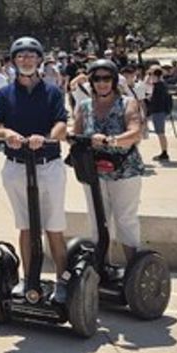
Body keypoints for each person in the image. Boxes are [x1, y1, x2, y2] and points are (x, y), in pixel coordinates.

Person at [0, 37, 71, 302]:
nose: (26, 60)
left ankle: (62, 282)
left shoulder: (52, 91)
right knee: (25, 226)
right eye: (21, 56)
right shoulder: (4, 94)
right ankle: (28, 280)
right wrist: (6, 133)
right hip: (16, 166)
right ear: (14, 61)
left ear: (39, 60)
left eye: (31, 56)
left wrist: (44, 137)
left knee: (53, 227)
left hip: (48, 166)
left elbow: (61, 125)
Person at [69, 59, 146, 264]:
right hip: (93, 172)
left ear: (114, 80)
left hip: (124, 171)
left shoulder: (127, 103)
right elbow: (75, 134)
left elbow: (135, 132)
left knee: (125, 219)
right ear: (91, 82)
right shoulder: (84, 107)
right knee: (97, 221)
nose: (102, 83)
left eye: (106, 78)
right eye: (96, 79)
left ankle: (134, 269)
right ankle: (101, 267)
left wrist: (111, 140)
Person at [146, 65, 173, 162]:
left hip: (158, 111)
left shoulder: (159, 86)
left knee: (160, 133)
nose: (150, 76)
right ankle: (164, 151)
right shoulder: (162, 85)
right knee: (160, 133)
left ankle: (164, 152)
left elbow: (155, 100)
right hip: (160, 111)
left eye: (151, 74)